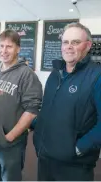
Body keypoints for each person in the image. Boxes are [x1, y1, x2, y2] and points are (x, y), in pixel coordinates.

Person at [33, 22, 101, 181]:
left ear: (88, 45)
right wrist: (36, 126)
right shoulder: (55, 74)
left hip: (74, 166)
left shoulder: (97, 77)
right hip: (45, 158)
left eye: (76, 42)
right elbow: (50, 110)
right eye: (66, 42)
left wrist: (78, 148)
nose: (69, 46)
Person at [0, 29, 43, 181]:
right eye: (1, 46)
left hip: (11, 145)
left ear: (18, 49)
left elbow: (32, 110)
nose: (3, 51)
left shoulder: (27, 75)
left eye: (9, 47)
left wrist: (9, 137)